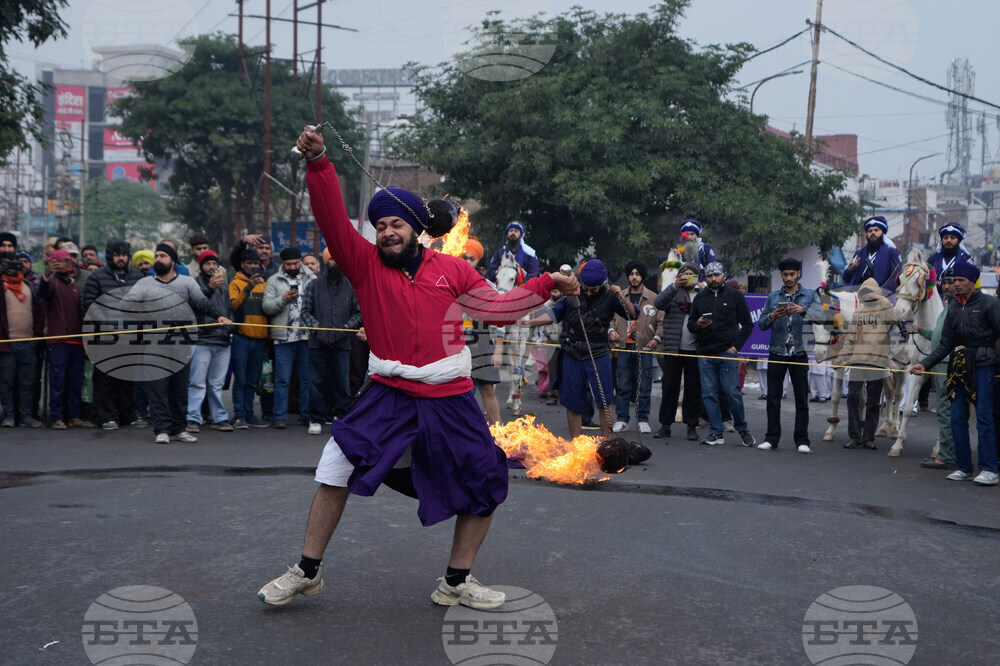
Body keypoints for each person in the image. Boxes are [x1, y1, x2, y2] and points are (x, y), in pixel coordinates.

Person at [257, 126, 577, 609]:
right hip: (388, 391)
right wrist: (319, 164)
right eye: (380, 225)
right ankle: (306, 571)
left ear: (415, 229)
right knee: (334, 466)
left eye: (395, 224)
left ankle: (456, 581)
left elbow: (497, 307)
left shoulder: (453, 271)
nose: (386, 231)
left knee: (487, 480)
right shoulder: (363, 265)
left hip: (450, 397)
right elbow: (330, 221)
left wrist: (546, 285)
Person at [128, 243, 231, 444]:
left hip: (181, 343)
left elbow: (202, 303)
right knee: (158, 389)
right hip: (154, 345)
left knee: (179, 389)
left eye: (163, 256)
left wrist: (219, 316)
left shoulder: (186, 282)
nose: (158, 259)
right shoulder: (144, 283)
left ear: (173, 261)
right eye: (156, 255)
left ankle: (179, 428)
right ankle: (162, 430)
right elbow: (128, 306)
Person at [523, 259, 634, 439]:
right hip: (572, 352)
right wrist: (529, 322)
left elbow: (632, 314)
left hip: (598, 353)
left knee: (605, 400)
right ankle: (576, 443)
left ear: (602, 284)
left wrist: (620, 295)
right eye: (586, 287)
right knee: (572, 401)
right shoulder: (570, 294)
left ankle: (607, 442)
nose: (588, 292)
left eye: (594, 289)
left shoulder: (610, 297)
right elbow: (554, 314)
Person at [911, 262, 1000, 485]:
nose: (956, 285)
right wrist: (925, 364)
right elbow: (945, 344)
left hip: (983, 365)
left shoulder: (990, 304)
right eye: (953, 281)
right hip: (957, 365)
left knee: (984, 417)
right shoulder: (952, 308)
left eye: (961, 281)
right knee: (956, 417)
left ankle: (989, 469)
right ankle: (963, 467)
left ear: (973, 282)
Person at [756, 258, 825, 453]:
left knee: (802, 399)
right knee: (773, 398)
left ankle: (802, 440)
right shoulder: (773, 297)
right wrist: (772, 316)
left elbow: (821, 317)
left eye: (792, 274)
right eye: (785, 274)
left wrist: (803, 310)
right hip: (777, 351)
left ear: (798, 274)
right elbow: (761, 324)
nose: (788, 278)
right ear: (781, 275)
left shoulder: (810, 295)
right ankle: (771, 438)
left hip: (799, 352)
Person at [687, 261, 755, 447]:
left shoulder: (735, 296)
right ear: (705, 278)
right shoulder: (700, 298)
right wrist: (697, 324)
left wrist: (735, 348)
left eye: (716, 275)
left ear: (724, 275)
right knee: (708, 394)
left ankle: (743, 429)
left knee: (732, 392)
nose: (713, 279)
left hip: (727, 352)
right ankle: (716, 432)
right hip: (704, 353)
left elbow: (748, 325)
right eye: (709, 276)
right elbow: (690, 325)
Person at [82, 238, 145, 430]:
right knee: (105, 380)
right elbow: (90, 304)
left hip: (130, 336)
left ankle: (127, 415)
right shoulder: (97, 277)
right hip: (104, 338)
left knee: (127, 378)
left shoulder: (137, 277)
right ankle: (106, 416)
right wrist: (109, 325)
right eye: (117, 255)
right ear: (110, 256)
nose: (121, 258)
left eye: (124, 254)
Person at [301, 248, 361, 434]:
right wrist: (317, 328)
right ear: (326, 262)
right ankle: (316, 419)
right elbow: (305, 313)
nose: (336, 263)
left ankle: (342, 416)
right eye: (332, 260)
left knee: (342, 383)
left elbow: (358, 313)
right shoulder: (314, 285)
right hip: (317, 344)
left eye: (339, 260)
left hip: (342, 343)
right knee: (315, 383)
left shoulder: (350, 286)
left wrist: (347, 327)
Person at [841, 278, 898, 451]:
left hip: (877, 362)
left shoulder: (886, 309)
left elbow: (895, 317)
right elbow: (850, 338)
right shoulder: (858, 312)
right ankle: (855, 437)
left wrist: (880, 297)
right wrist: (842, 357)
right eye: (864, 292)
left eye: (870, 292)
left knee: (873, 402)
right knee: (852, 397)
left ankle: (869, 438)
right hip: (858, 361)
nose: (867, 295)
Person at [263, 247, 316, 429]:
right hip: (283, 338)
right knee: (282, 379)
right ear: (283, 264)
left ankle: (307, 415)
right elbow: (267, 307)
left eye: (295, 263)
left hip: (307, 337)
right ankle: (280, 416)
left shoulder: (312, 278)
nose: (293, 266)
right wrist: (283, 300)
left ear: (300, 260)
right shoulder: (273, 280)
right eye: (288, 264)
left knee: (307, 379)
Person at [38, 250, 92, 429]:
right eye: (59, 262)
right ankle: (57, 417)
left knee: (76, 381)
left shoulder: (74, 285)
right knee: (58, 381)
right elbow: (43, 292)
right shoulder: (52, 282)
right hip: (59, 340)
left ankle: (74, 416)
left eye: (67, 261)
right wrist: (47, 273)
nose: (65, 264)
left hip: (76, 340)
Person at [912, 270, 957, 470]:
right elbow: (939, 335)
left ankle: (947, 456)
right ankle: (948, 453)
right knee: (944, 410)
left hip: (949, 364)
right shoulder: (947, 308)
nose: (946, 286)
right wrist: (922, 331)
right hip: (941, 362)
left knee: (946, 411)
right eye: (944, 282)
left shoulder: (958, 308)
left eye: (951, 282)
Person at [610, 261, 662, 434]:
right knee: (622, 384)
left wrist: (657, 338)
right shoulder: (619, 295)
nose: (634, 277)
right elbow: (609, 317)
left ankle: (643, 419)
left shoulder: (654, 298)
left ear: (643, 276)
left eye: (637, 274)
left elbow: (662, 322)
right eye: (631, 274)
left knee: (644, 385)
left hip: (645, 346)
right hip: (624, 346)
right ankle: (622, 419)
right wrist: (610, 331)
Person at [186, 250, 234, 433]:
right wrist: (210, 287)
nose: (212, 267)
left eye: (215, 263)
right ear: (201, 265)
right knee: (197, 382)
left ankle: (219, 418)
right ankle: (193, 418)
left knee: (216, 383)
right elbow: (195, 306)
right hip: (202, 339)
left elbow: (229, 309)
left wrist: (230, 326)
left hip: (222, 340)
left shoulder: (223, 286)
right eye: (208, 264)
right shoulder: (194, 283)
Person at [654, 262, 701, 440]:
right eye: (684, 274)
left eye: (692, 275)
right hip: (673, 348)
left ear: (697, 278)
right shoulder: (673, 293)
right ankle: (665, 425)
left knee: (693, 389)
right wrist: (674, 286)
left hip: (695, 349)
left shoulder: (702, 296)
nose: (687, 277)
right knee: (669, 387)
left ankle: (691, 425)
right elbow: (658, 302)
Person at [460, 238, 505, 424]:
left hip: (482, 341)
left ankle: (499, 431)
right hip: (454, 343)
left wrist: (498, 351)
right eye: (464, 257)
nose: (467, 261)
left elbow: (500, 320)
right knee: (457, 392)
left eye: (471, 258)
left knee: (487, 389)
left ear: (478, 262)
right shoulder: (446, 282)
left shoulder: (488, 286)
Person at [0, 252, 43, 428]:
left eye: (17, 266)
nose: (14, 269)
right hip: (6, 344)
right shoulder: (1, 287)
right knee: (6, 383)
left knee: (27, 383)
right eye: (9, 266)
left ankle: (26, 415)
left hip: (27, 343)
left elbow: (40, 312)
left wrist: (37, 336)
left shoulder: (30, 287)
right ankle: (9, 415)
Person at [229, 242, 270, 428]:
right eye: (248, 263)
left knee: (253, 380)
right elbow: (234, 306)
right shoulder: (235, 283)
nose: (252, 266)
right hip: (242, 337)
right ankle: (239, 415)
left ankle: (250, 413)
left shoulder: (264, 283)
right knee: (241, 379)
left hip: (260, 338)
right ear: (242, 264)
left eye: (255, 262)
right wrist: (247, 289)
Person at [842, 216, 902, 291]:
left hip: (880, 295)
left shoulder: (891, 252)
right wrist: (850, 270)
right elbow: (846, 279)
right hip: (857, 293)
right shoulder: (859, 253)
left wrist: (881, 292)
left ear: (882, 233)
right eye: (870, 231)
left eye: (876, 230)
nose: (873, 233)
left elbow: (896, 277)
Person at [926, 222, 971, 294]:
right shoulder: (933, 259)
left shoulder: (965, 260)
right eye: (946, 238)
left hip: (957, 302)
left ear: (958, 240)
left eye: (952, 238)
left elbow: (969, 285)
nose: (949, 240)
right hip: (934, 300)